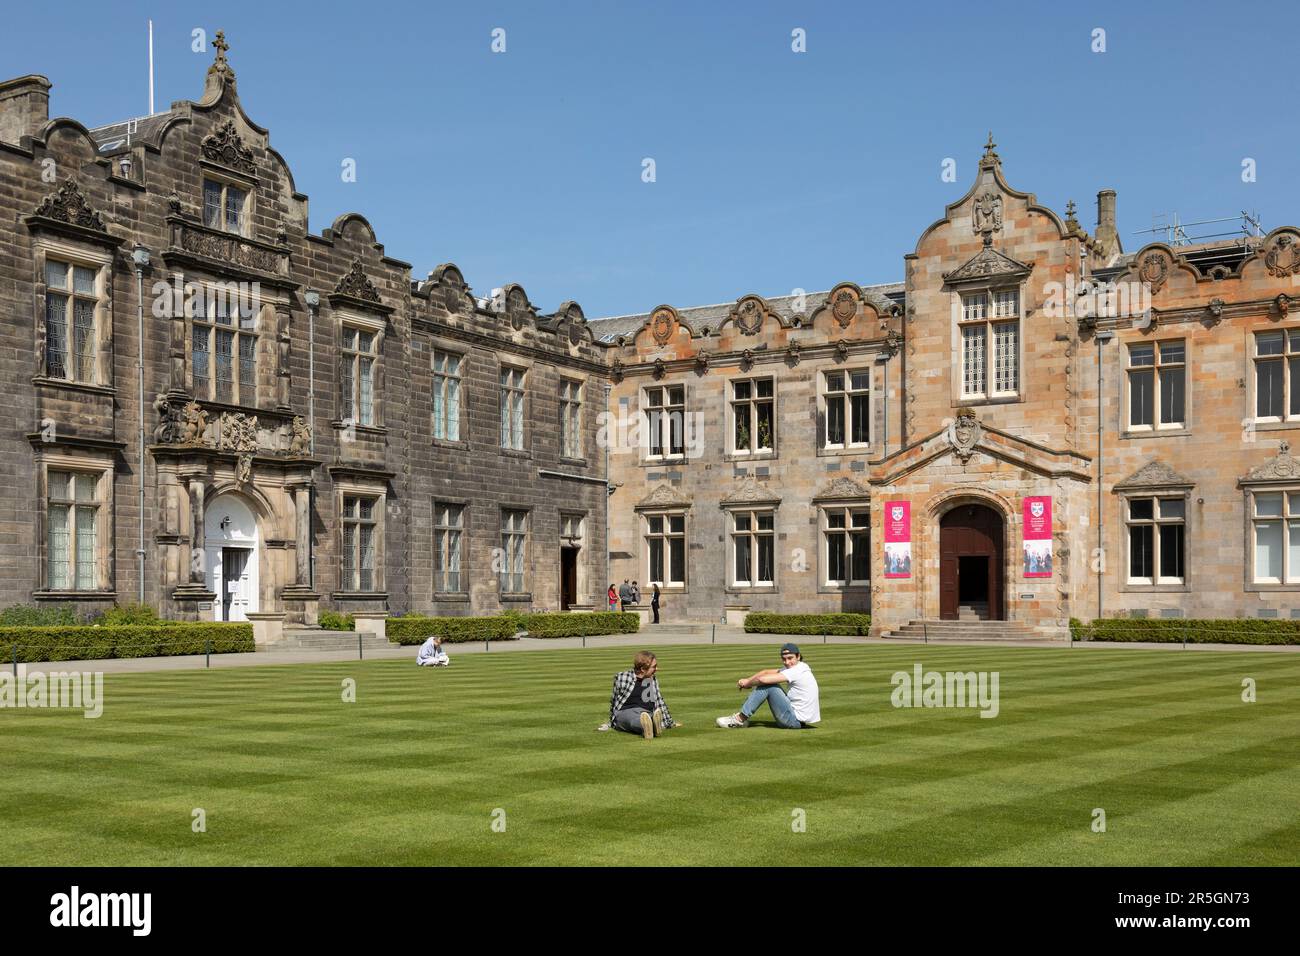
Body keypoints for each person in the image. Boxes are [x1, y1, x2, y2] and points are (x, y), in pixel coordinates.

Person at [716, 643, 819, 729]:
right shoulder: (801, 666)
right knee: (769, 684)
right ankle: (741, 718)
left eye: (790, 658)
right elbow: (765, 672)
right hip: (796, 719)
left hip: (793, 721)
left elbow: (763, 679)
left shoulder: (796, 671)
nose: (787, 662)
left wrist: (748, 684)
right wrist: (748, 679)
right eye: (784, 659)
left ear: (798, 656)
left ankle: (739, 720)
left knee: (768, 686)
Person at [597, 650, 680, 738]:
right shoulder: (623, 677)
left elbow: (659, 701)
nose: (657, 669)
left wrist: (670, 722)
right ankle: (649, 726)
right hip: (626, 712)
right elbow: (614, 701)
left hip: (647, 713)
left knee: (649, 716)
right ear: (643, 669)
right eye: (654, 667)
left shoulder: (652, 679)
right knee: (633, 720)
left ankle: (651, 725)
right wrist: (611, 722)